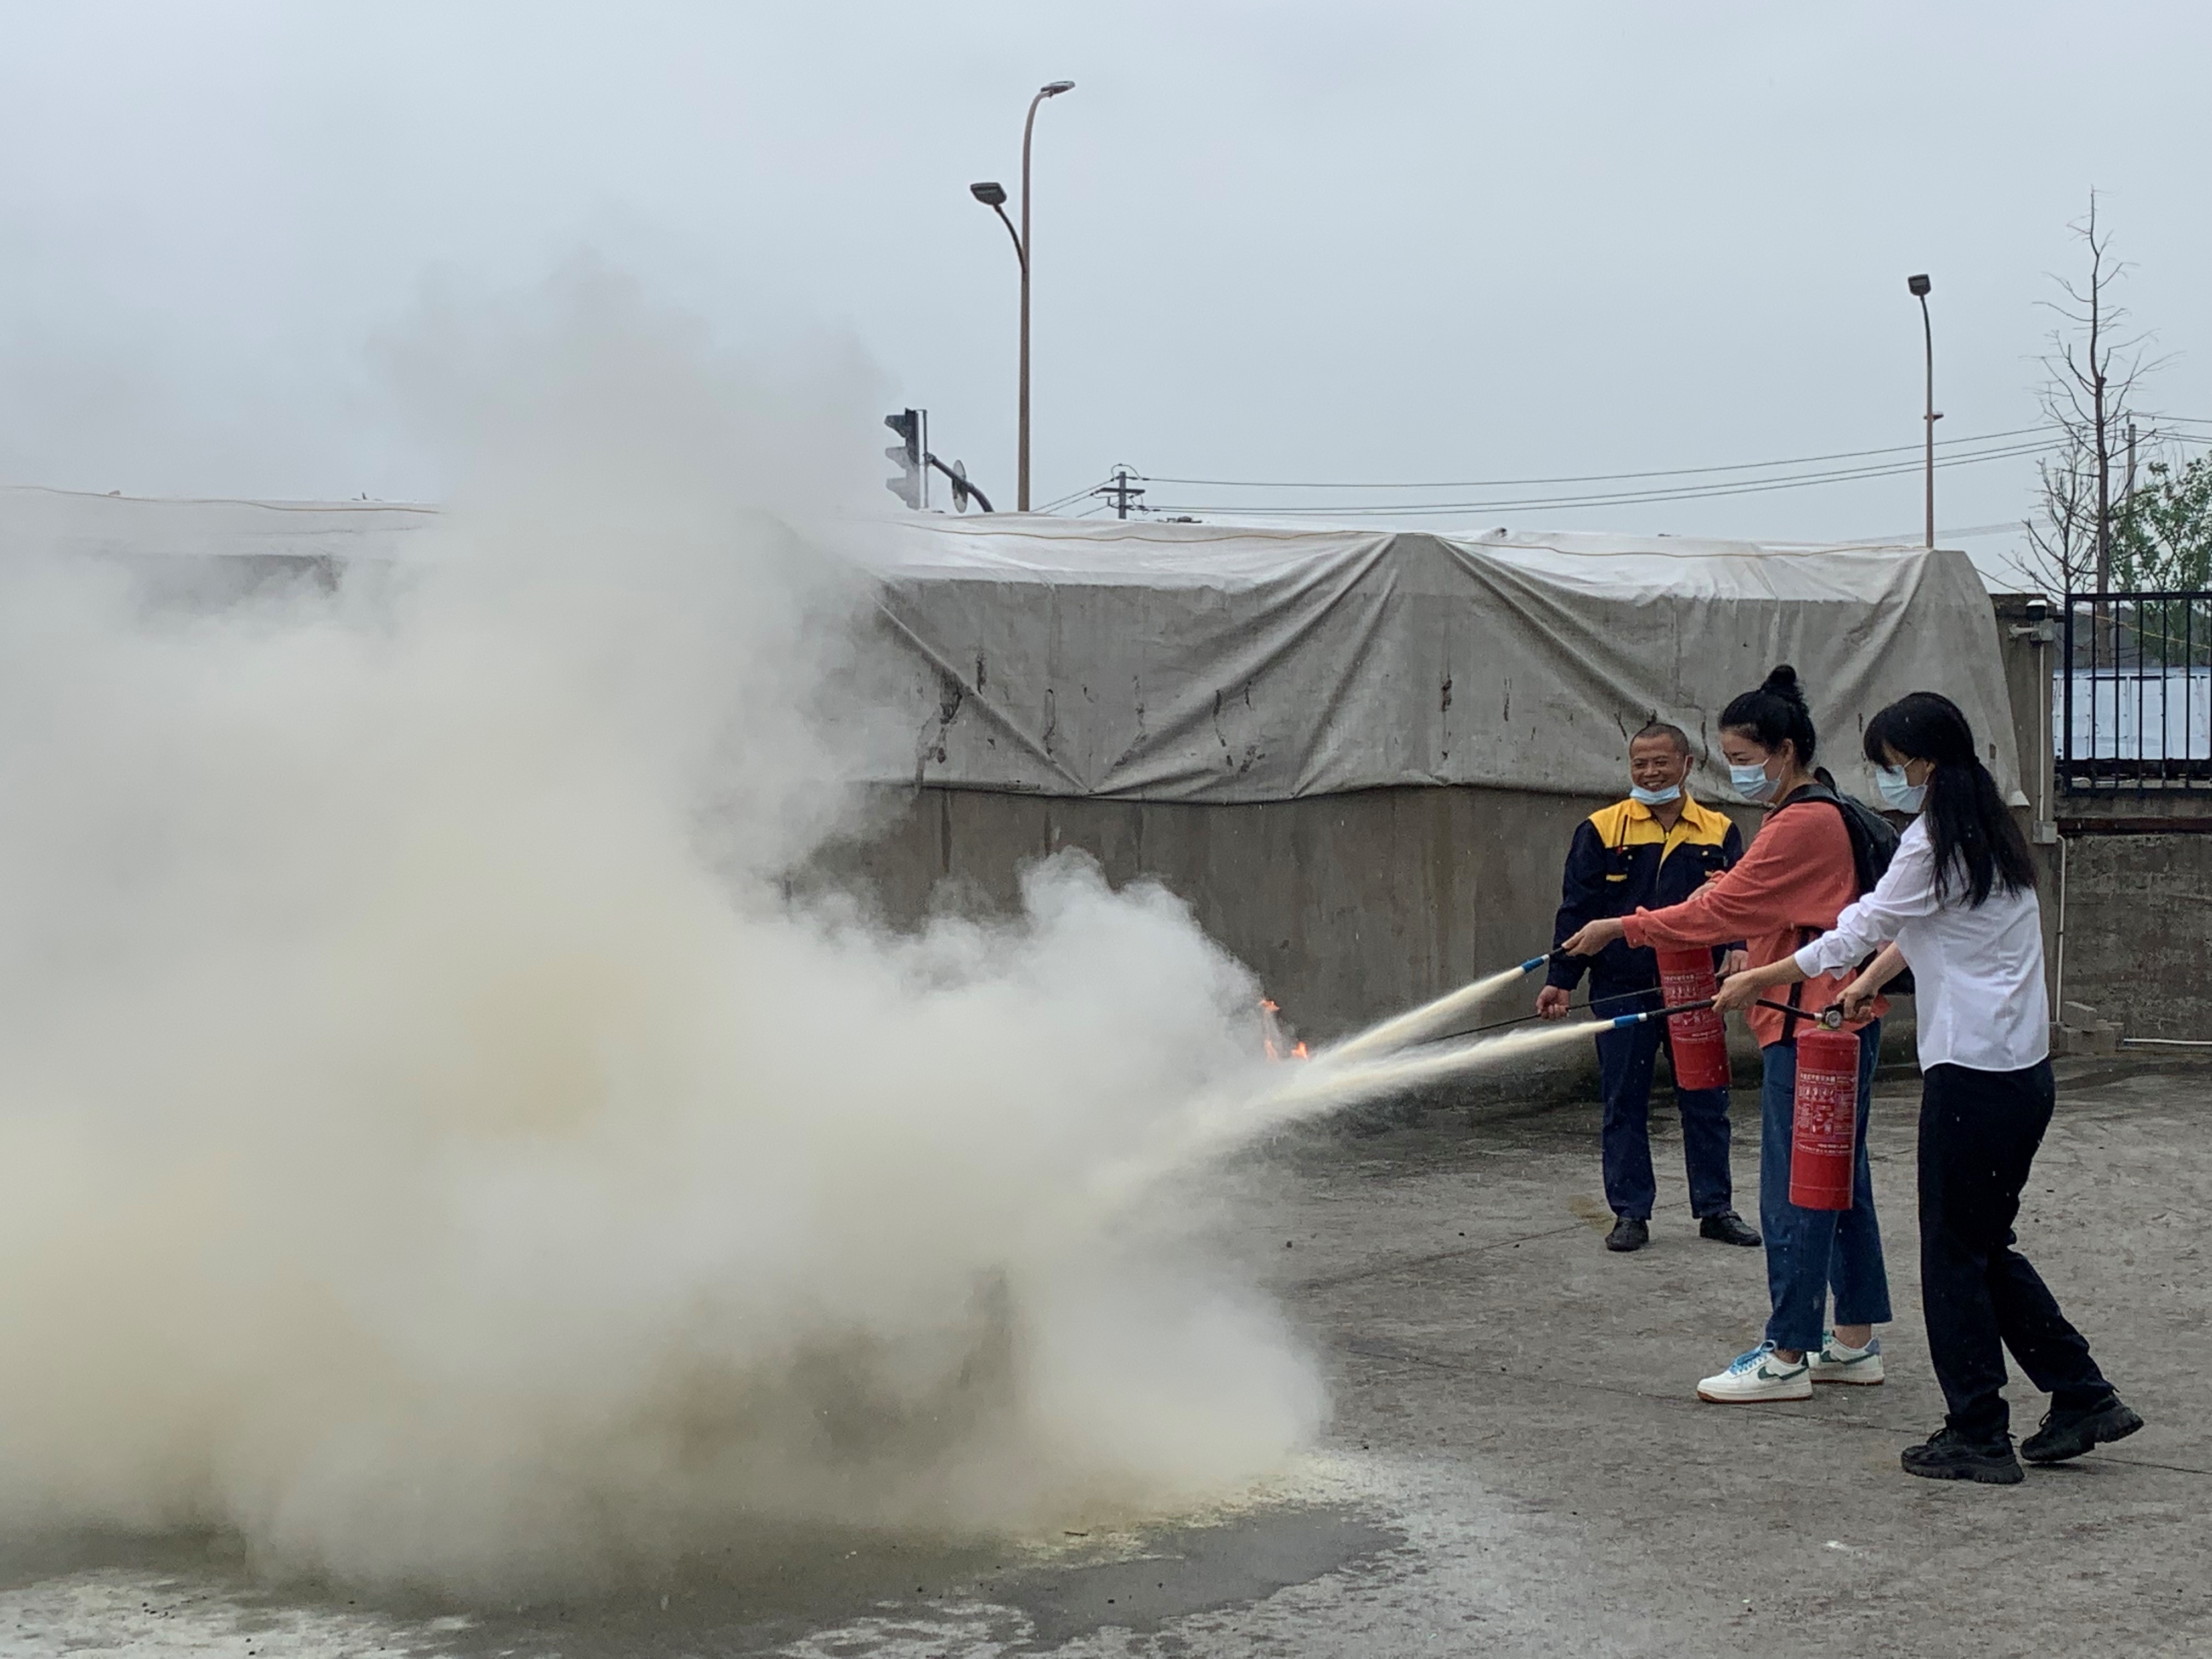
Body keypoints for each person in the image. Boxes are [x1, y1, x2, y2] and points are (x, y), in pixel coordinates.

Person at [1713, 691, 2143, 1483]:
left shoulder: (1934, 840)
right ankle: (2083, 1395)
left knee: (1953, 1259)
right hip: (2018, 1080)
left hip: (1974, 1083)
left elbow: (1863, 924)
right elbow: (1912, 934)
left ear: (1924, 764)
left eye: (1890, 766)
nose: (1885, 780)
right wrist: (1858, 986)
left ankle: (1978, 1431)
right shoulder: (1986, 837)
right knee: (1983, 1248)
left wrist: (1767, 977)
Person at [1559, 665, 1891, 1403]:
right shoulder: (1816, 813)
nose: (1735, 772)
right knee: (1840, 1185)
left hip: (1812, 1026)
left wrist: (1625, 926)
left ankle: (1786, 1353)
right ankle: (1856, 1342)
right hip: (1836, 1020)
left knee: (1794, 1193)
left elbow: (1720, 914)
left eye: (1743, 759)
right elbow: (1752, 904)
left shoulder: (1802, 821)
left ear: (1785, 750)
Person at [1538, 720, 1760, 1253]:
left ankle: (1715, 1208)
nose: (1650, 772)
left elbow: (1739, 901)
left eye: (1661, 762)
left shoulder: (1717, 830)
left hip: (1696, 988)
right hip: (1621, 984)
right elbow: (1578, 911)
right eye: (1640, 763)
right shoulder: (1602, 829)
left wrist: (1738, 949)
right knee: (1623, 1101)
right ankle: (1631, 1213)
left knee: (1706, 1099)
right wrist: (1559, 981)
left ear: (1687, 766)